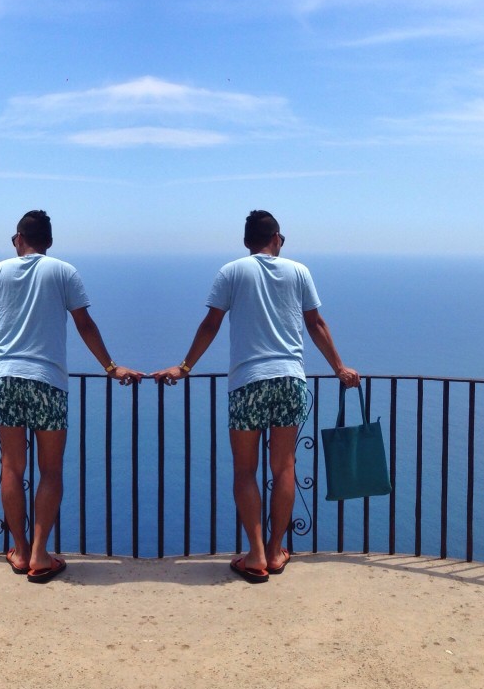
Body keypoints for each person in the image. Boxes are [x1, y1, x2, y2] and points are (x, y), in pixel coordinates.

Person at [152, 210, 360, 583]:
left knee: (245, 470)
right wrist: (339, 368)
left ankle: (255, 554)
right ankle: (278, 548)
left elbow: (211, 324)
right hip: (289, 380)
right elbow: (316, 324)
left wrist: (183, 368)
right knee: (284, 467)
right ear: (277, 238)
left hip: (248, 383)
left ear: (247, 241)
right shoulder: (299, 272)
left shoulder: (231, 272)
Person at [0, 210, 142, 583]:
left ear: (18, 238)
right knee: (50, 470)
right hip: (48, 383)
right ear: (48, 241)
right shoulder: (64, 272)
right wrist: (112, 368)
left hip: (7, 380)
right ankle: (40, 554)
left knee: (11, 467)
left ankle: (17, 549)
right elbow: (85, 324)